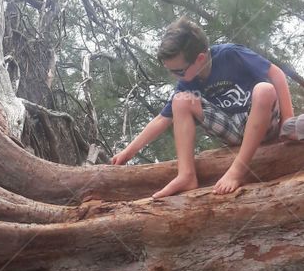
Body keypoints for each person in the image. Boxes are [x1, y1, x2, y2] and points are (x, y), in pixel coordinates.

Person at [110, 17, 296, 199]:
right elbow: (161, 119)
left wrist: (287, 121)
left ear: (200, 58)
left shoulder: (229, 54)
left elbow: (276, 74)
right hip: (231, 128)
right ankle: (186, 175)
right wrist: (128, 152)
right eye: (171, 71)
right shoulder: (187, 82)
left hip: (262, 123)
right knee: (180, 100)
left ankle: (238, 170)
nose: (176, 77)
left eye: (179, 71)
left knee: (264, 90)